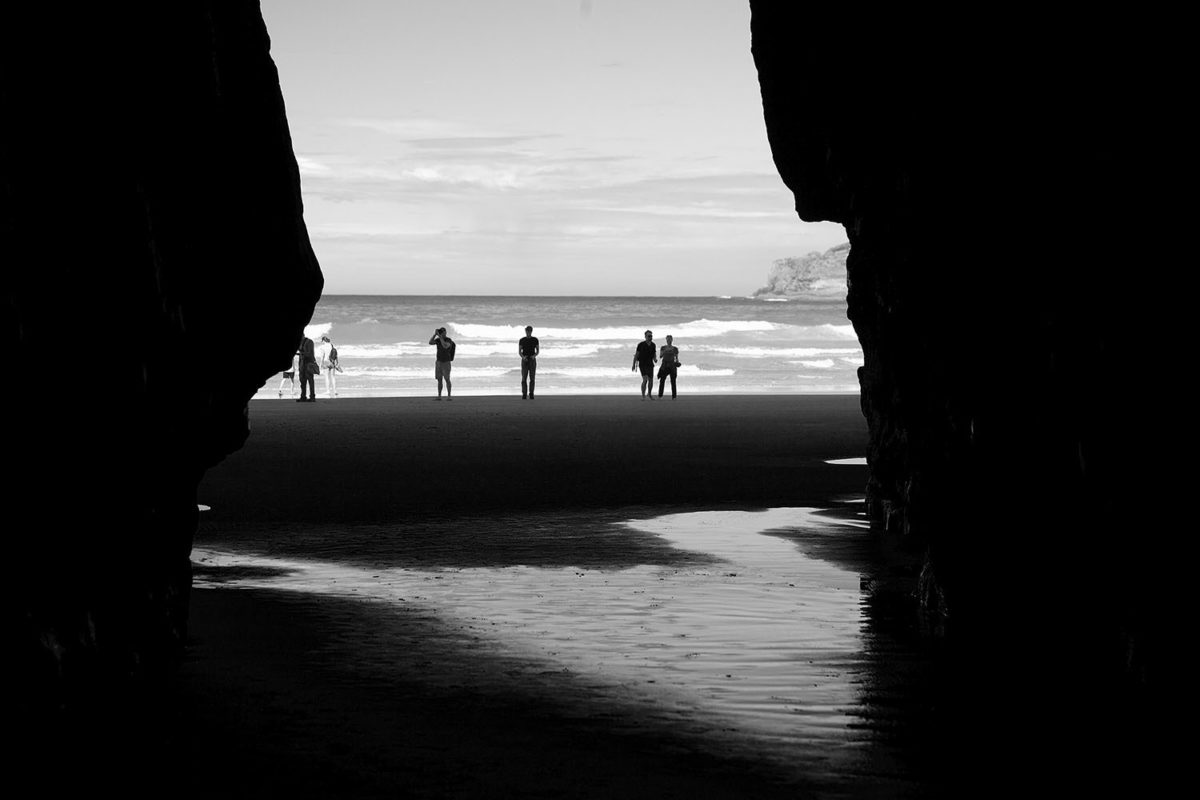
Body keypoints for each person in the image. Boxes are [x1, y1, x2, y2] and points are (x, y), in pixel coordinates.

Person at [428, 327, 456, 400]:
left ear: (445, 332)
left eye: (443, 332)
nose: (442, 334)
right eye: (441, 332)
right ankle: (439, 396)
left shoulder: (448, 340)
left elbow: (445, 346)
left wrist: (440, 337)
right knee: (439, 379)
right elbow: (430, 342)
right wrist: (434, 335)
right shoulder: (438, 340)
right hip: (439, 362)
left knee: (447, 379)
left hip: (446, 362)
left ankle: (449, 396)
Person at [632, 329, 657, 399]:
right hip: (642, 364)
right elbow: (636, 355)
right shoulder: (641, 345)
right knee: (645, 379)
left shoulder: (653, 345)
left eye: (651, 336)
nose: (650, 337)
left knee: (651, 380)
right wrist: (633, 365)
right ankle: (643, 395)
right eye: (649, 336)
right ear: (645, 336)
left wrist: (655, 359)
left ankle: (649, 394)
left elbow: (654, 353)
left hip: (650, 364)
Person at [518, 325, 539, 399]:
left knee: (532, 378)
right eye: (527, 331)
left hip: (532, 359)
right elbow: (519, 352)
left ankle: (531, 393)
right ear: (525, 331)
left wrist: (534, 356)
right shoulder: (522, 340)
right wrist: (523, 357)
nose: (528, 333)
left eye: (529, 331)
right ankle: (524, 393)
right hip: (525, 359)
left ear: (531, 331)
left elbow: (537, 351)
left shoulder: (535, 339)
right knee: (524, 377)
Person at [657, 334, 681, 399]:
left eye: (670, 339)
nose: (669, 341)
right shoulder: (663, 347)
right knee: (662, 380)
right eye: (668, 340)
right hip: (664, 365)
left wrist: (677, 363)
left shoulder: (675, 348)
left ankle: (674, 396)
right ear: (666, 340)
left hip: (672, 366)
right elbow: (660, 356)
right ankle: (660, 395)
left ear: (672, 340)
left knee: (673, 381)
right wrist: (665, 351)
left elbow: (676, 357)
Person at [297, 335, 317, 402]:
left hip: (308, 364)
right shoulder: (300, 343)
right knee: (302, 381)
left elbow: (310, 354)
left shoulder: (309, 342)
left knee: (310, 380)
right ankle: (303, 397)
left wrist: (300, 354)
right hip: (302, 364)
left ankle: (312, 397)